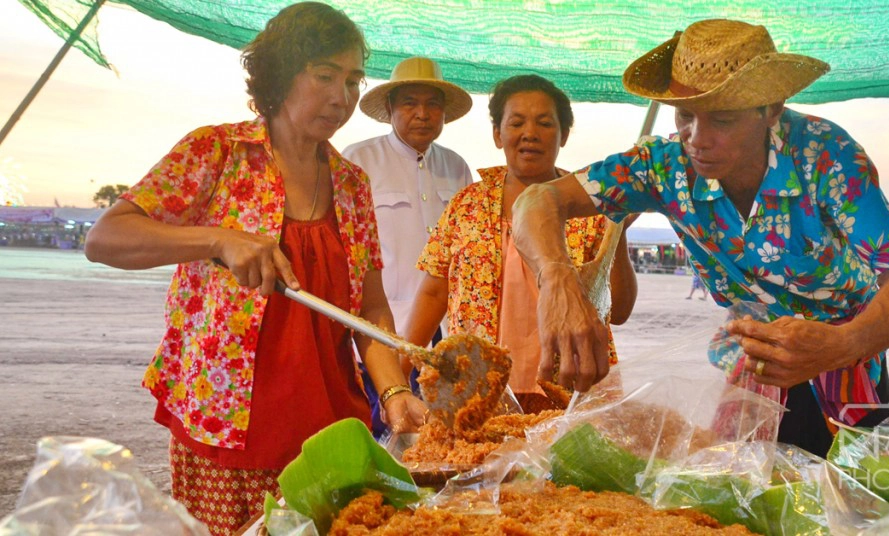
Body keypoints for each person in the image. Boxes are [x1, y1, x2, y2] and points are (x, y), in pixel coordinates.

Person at [511, 19, 889, 457]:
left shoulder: (825, 156)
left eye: (723, 119)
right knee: (744, 493)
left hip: (847, 356)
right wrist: (557, 278)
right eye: (686, 115)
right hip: (752, 359)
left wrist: (843, 345)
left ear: (771, 109)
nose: (697, 139)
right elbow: (536, 203)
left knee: (859, 497)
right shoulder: (663, 166)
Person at [83, 3, 426, 533]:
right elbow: (106, 238)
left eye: (354, 80)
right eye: (325, 76)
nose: (342, 97)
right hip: (225, 425)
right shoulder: (217, 151)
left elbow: (369, 308)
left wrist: (395, 392)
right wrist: (217, 239)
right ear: (281, 73)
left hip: (326, 430)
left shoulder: (353, 184)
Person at [404, 74, 637, 409]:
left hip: (570, 391)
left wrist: (620, 231)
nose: (530, 133)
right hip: (477, 392)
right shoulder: (465, 205)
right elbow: (433, 291)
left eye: (544, 123)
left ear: (564, 135)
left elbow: (619, 312)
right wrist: (397, 380)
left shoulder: (592, 209)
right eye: (516, 123)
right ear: (498, 134)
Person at [341, 56, 473, 435]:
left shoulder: (457, 167)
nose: (423, 113)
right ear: (390, 110)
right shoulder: (358, 160)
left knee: (435, 434)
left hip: (443, 335)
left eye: (433, 104)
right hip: (381, 331)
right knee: (382, 429)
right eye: (410, 103)